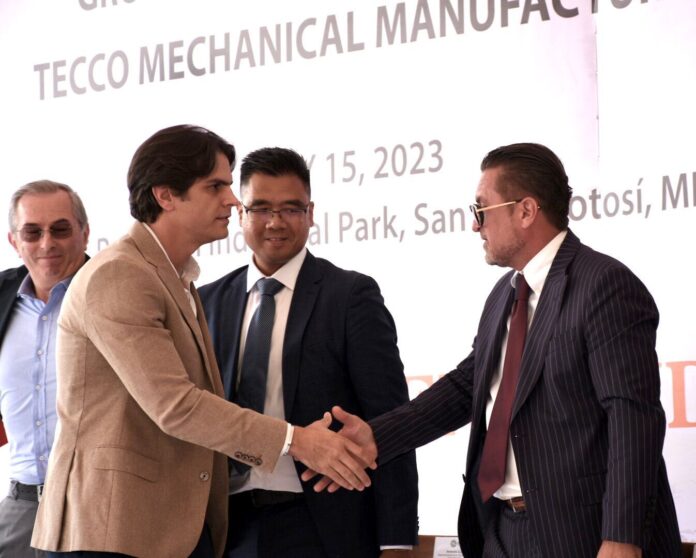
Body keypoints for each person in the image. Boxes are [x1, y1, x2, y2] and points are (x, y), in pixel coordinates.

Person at [309, 143, 682, 557]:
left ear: (526, 211)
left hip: (585, 533)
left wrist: (622, 537)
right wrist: (377, 437)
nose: (475, 225)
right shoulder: (504, 294)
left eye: (481, 209)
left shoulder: (604, 285)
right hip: (502, 529)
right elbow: (466, 387)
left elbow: (633, 418)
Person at [30, 125, 375, 558]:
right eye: (215, 186)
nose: (232, 200)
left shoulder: (178, 278)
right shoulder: (120, 274)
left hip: (164, 528)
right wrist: (298, 441)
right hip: (110, 531)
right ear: (166, 196)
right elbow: (176, 405)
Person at [198, 147, 418, 558]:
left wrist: (397, 540)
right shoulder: (207, 301)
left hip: (323, 526)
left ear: (311, 213)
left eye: (291, 209)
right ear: (241, 214)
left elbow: (390, 419)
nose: (275, 222)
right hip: (229, 527)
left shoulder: (350, 296)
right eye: (261, 208)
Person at [0, 181, 90, 558]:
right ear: (14, 241)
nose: (46, 243)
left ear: (85, 233)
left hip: (92, 510)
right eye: (32, 232)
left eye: (61, 229)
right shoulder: (3, 296)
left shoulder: (115, 292)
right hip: (20, 509)